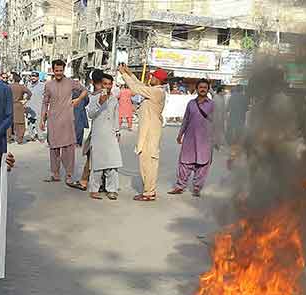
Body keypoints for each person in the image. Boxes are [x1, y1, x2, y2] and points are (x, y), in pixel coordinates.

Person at [118, 64, 167, 202]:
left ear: (158, 80)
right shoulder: (153, 90)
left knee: (149, 162)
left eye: (153, 76)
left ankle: (149, 193)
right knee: (145, 161)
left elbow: (136, 88)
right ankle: (149, 190)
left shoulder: (157, 92)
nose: (150, 77)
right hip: (148, 131)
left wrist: (124, 74)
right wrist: (130, 73)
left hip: (151, 132)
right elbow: (140, 85)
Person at [40, 59, 88, 186]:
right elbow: (45, 103)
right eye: (56, 71)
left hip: (67, 119)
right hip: (53, 120)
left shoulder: (71, 83)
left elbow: (85, 90)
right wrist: (42, 119)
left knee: (68, 149)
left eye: (61, 70)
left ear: (64, 70)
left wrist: (78, 99)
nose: (59, 73)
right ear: (53, 70)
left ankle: (69, 174)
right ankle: (55, 174)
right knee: (54, 148)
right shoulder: (48, 85)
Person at [168, 78, 215, 197]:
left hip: (205, 139)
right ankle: (180, 186)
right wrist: (180, 134)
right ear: (197, 89)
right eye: (201, 87)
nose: (203, 89)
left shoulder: (213, 105)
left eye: (205, 87)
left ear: (208, 89)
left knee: (203, 164)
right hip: (190, 139)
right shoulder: (191, 104)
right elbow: (186, 119)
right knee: (184, 162)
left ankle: (197, 188)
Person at [85, 73, 122, 200]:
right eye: (105, 84)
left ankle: (112, 189)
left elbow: (116, 116)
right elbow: (90, 114)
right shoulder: (94, 98)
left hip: (111, 135)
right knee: (98, 164)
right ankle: (94, 189)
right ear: (101, 84)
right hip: (98, 135)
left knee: (112, 163)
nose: (108, 86)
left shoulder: (114, 99)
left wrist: (117, 131)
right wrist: (100, 103)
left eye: (110, 84)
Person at [73, 70, 106, 191]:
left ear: (92, 81)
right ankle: (88, 180)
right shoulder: (107, 94)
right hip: (104, 131)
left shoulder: (95, 96)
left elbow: (91, 114)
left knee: (92, 155)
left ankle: (85, 181)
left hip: (99, 131)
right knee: (93, 155)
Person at [9, 72, 31, 144]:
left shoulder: (8, 86)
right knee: (20, 123)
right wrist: (25, 100)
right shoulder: (21, 86)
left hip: (10, 105)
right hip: (19, 105)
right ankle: (20, 139)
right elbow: (29, 93)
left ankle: (8, 139)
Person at [25, 72, 45, 141]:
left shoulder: (42, 85)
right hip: (29, 107)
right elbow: (25, 96)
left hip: (39, 107)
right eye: (32, 76)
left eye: (35, 76)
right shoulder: (28, 85)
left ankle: (40, 137)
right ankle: (31, 136)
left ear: (38, 77)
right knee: (30, 122)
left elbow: (46, 96)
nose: (33, 78)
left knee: (38, 122)